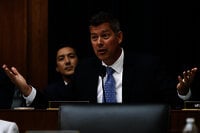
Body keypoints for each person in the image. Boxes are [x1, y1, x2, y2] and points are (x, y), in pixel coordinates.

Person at [3, 11, 187, 108]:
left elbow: (174, 102)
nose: (99, 43)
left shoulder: (147, 66)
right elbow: (54, 103)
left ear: (119, 37)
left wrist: (182, 91)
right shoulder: (85, 70)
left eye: (105, 36)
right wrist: (26, 89)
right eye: (94, 37)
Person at [2, 43, 79, 108]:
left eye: (71, 56)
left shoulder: (89, 84)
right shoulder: (51, 91)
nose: (67, 61)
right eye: (61, 58)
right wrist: (26, 89)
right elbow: (42, 106)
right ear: (57, 68)